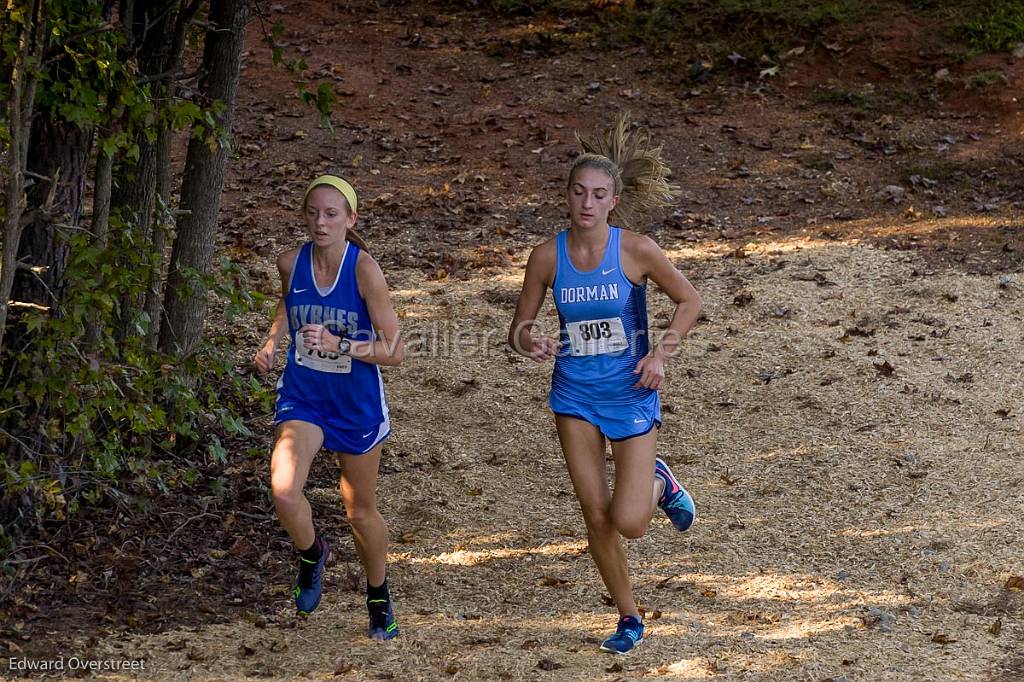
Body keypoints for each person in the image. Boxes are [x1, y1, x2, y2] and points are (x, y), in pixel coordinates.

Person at [508, 115, 702, 654]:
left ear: (613, 201)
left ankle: (658, 485)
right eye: (578, 193)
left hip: (631, 391)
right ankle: (629, 617)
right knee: (596, 516)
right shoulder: (547, 256)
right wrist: (531, 340)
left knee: (631, 522)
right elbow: (518, 329)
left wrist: (661, 354)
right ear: (567, 196)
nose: (587, 204)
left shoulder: (635, 250)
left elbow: (690, 301)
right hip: (573, 394)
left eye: (598, 195)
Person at [253, 174, 404, 641]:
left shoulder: (363, 270)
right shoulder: (289, 262)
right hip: (304, 396)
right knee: (283, 490)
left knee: (359, 511)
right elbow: (288, 300)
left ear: (350, 219)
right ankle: (312, 553)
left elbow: (395, 350)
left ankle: (377, 593)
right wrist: (273, 340)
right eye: (314, 213)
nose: (321, 222)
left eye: (332, 214)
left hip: (355, 403)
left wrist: (342, 345)